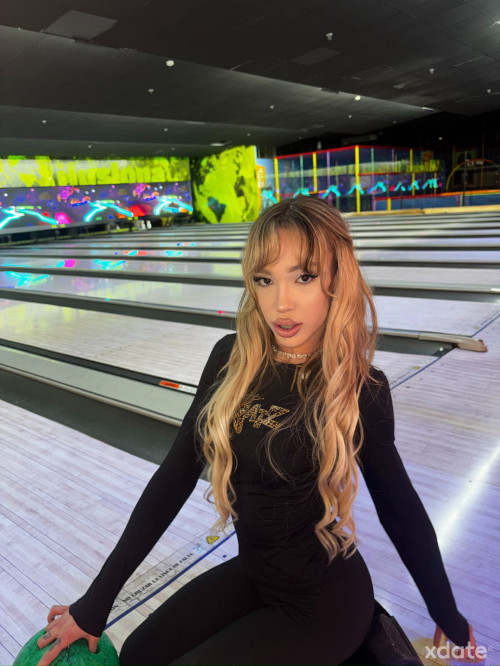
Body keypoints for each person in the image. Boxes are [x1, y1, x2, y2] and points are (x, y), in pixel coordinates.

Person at [36, 196, 482, 666]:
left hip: (321, 605)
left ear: (336, 278)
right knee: (138, 655)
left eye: (303, 277)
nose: (280, 303)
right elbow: (174, 476)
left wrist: (448, 617)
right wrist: (95, 604)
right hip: (254, 575)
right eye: (264, 280)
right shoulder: (230, 359)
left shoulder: (358, 387)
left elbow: (401, 509)